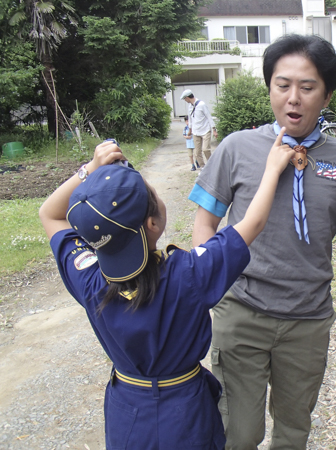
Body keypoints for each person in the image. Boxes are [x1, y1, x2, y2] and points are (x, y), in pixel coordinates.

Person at [38, 135, 295, 450]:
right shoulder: (187, 273)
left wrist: (89, 170)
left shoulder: (90, 280)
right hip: (186, 410)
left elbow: (50, 214)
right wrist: (272, 168)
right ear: (153, 224)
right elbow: (252, 223)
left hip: (126, 412)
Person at [189, 34, 336, 449]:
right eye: (282, 85)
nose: (293, 98)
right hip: (241, 312)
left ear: (326, 95)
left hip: (307, 321)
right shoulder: (237, 148)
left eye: (307, 88)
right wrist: (202, 293)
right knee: (238, 431)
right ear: (269, 87)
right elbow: (205, 223)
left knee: (293, 430)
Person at [181, 89, 218, 169]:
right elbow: (190, 119)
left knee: (205, 149)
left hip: (205, 130)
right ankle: (203, 167)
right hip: (196, 131)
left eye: (185, 99)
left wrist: (214, 130)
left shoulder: (202, 105)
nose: (185, 100)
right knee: (197, 152)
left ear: (187, 98)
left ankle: (212, 165)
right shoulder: (190, 106)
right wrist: (190, 130)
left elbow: (209, 117)